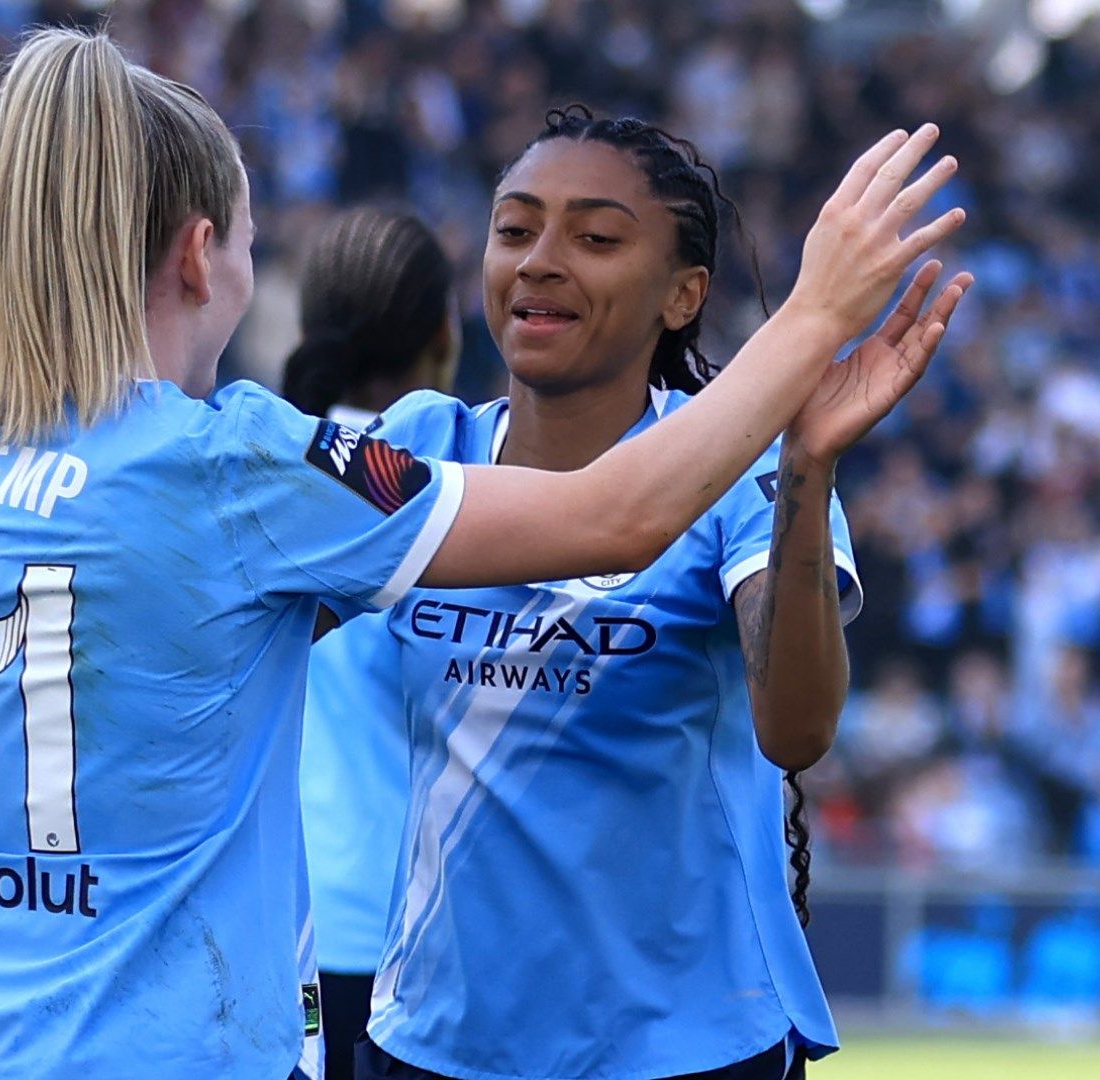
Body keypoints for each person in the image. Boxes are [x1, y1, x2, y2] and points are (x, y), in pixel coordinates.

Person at [0, 27, 965, 1078]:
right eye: (251, 243)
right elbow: (617, 516)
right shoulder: (241, 471)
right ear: (200, 255)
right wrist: (813, 319)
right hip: (181, 1053)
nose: (541, 259)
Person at [320, 107, 974, 1080]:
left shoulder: (749, 477)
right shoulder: (415, 447)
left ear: (683, 294)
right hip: (432, 1045)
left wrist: (809, 467)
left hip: (684, 1051)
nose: (540, 261)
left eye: (595, 238)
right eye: (515, 229)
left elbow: (798, 729)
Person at [281, 208, 459, 1080]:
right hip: (414, 928)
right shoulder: (450, 494)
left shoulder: (266, 472)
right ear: (443, 335)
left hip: (284, 922)